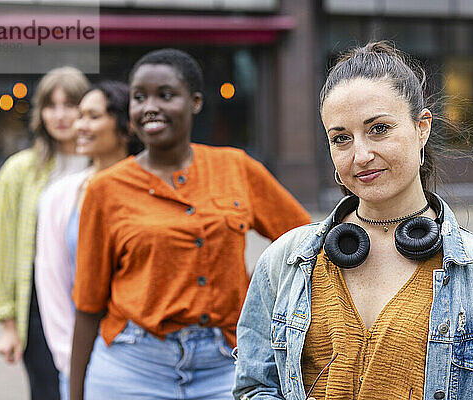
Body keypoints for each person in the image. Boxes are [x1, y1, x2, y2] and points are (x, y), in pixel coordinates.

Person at [233, 41, 473, 400]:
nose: (361, 155)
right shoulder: (284, 262)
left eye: (379, 129)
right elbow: (255, 386)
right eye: (341, 139)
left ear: (422, 128)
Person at [69, 48, 312, 400]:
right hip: (133, 365)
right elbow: (88, 302)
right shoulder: (105, 189)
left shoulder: (235, 167)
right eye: (139, 97)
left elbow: (303, 241)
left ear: (195, 102)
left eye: (165, 95)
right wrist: (74, 392)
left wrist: (264, 296)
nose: (149, 106)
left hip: (227, 364)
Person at [34, 81, 144, 400]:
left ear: (126, 129)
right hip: (80, 357)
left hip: (144, 358)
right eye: (80, 115)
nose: (79, 125)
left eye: (92, 116)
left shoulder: (154, 190)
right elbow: (52, 284)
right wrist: (70, 362)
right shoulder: (59, 196)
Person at [0, 67, 90, 400]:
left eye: (70, 104)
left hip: (95, 300)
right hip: (39, 306)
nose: (60, 115)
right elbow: (4, 248)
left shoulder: (105, 165)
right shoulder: (20, 171)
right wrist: (7, 324)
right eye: (50, 105)